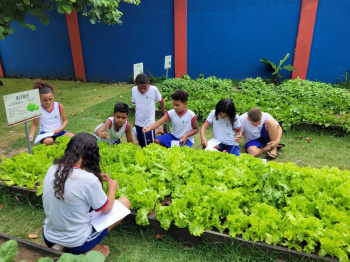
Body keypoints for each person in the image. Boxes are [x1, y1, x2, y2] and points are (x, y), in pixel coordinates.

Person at [42, 133, 131, 257]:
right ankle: (90, 248)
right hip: (77, 242)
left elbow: (72, 182)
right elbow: (106, 209)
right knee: (125, 202)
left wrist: (95, 178)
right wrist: (112, 189)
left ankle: (73, 247)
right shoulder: (88, 180)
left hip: (49, 237)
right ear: (90, 155)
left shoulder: (53, 168)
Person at [29, 79, 74, 145]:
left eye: (50, 99)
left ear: (53, 95)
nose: (48, 102)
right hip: (45, 134)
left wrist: (61, 128)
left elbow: (65, 121)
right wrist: (31, 134)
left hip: (59, 132)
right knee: (49, 141)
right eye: (45, 100)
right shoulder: (37, 109)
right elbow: (34, 124)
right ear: (39, 98)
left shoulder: (59, 106)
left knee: (74, 138)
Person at [131, 74, 165, 147]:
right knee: (141, 143)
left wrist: (163, 112)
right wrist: (134, 121)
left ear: (148, 83)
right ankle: (159, 131)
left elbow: (161, 101)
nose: (142, 90)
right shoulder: (134, 90)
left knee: (149, 144)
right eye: (140, 88)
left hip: (149, 123)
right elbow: (136, 107)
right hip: (138, 123)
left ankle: (159, 131)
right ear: (135, 84)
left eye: (145, 88)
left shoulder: (154, 90)